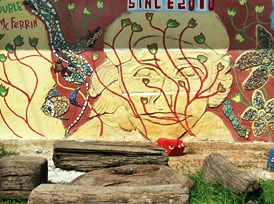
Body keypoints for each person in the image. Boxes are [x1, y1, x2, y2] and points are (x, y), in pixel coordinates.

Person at [72, 11, 233, 141]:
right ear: (116, 80)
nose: (164, 102)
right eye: (145, 75)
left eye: (188, 73)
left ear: (216, 81)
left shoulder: (216, 134)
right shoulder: (96, 134)